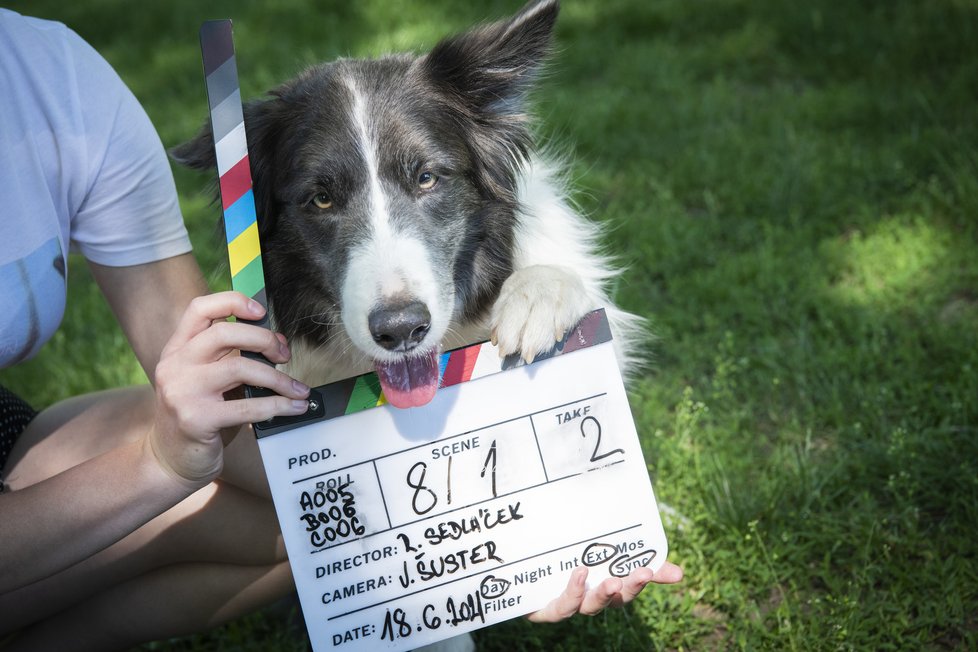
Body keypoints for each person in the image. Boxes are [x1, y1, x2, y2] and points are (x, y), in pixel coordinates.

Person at [0, 8, 681, 651]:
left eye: (426, 178)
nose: (395, 299)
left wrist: (537, 535)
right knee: (324, 516)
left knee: (317, 520)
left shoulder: (56, 77)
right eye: (322, 198)